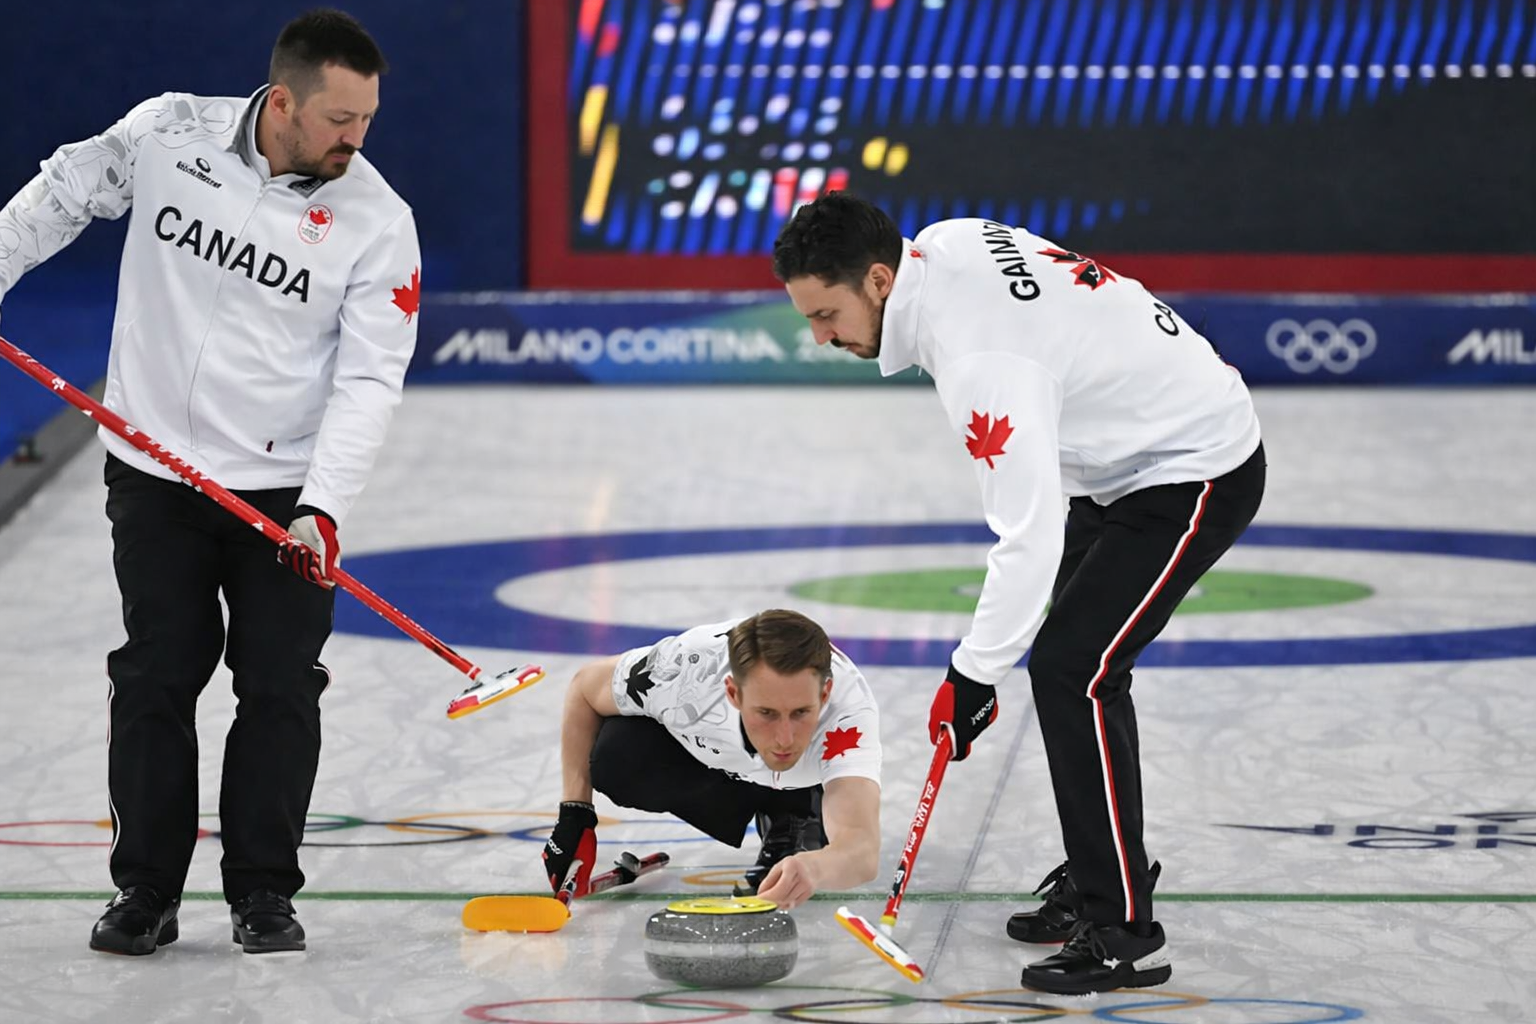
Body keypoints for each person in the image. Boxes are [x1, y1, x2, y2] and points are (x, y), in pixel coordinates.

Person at [0, 10, 419, 955]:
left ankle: (263, 893)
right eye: (340, 119)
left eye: (368, 120)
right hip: (154, 472)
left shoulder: (378, 221)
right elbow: (64, 192)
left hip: (279, 500)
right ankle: (144, 890)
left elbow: (368, 377)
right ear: (282, 100)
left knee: (278, 686)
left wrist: (324, 509)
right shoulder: (168, 133)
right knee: (155, 674)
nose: (357, 139)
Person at [772, 193, 1265, 994]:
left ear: (878, 278)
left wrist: (972, 676)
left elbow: (1027, 536)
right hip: (1117, 463)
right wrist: (983, 669)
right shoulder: (943, 244)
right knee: (1073, 663)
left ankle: (1124, 930)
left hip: (1192, 467)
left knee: (1075, 668)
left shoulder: (980, 365)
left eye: (827, 315)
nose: (821, 337)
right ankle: (1105, 870)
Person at [544, 609, 882, 910]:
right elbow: (584, 688)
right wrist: (575, 813)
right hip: (721, 757)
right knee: (617, 758)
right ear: (733, 693)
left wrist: (815, 867)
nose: (785, 737)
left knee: (801, 775)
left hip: (804, 778)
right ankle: (764, 799)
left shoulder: (848, 713)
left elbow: (862, 848)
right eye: (766, 712)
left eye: (801, 713)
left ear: (824, 694)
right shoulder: (681, 674)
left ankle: (795, 811)